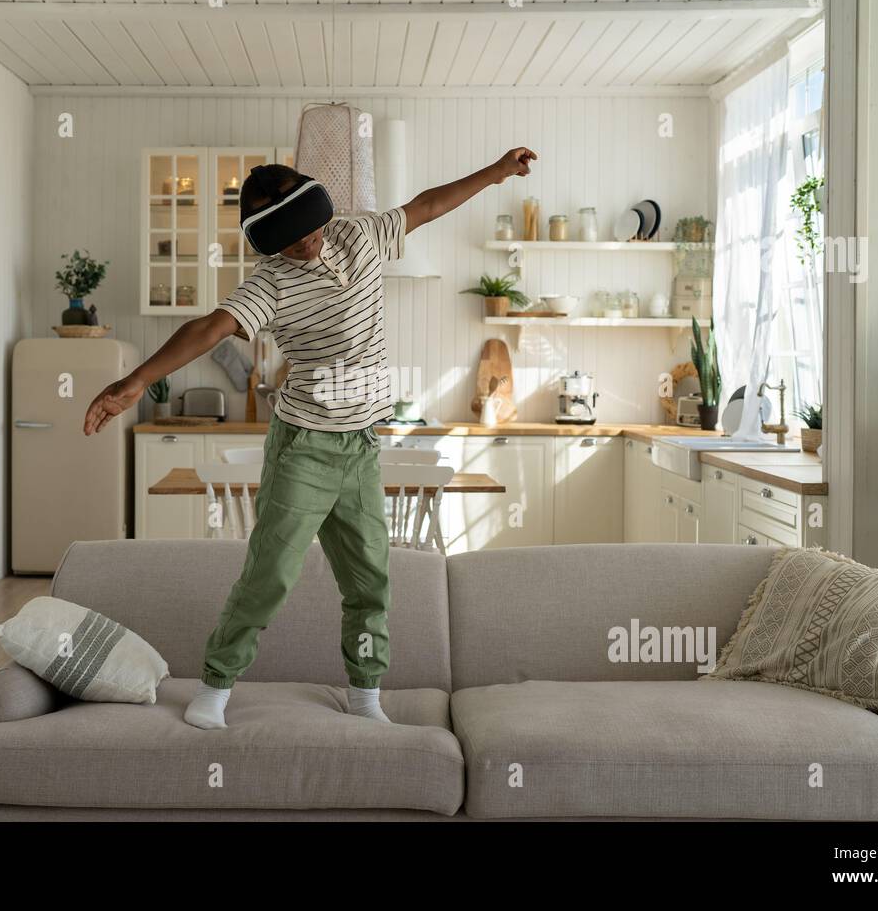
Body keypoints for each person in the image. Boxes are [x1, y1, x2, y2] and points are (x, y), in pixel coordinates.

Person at [83, 146, 537, 728]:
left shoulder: (359, 237)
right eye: (287, 240)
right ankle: (216, 686)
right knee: (270, 575)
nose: (304, 245)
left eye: (307, 231)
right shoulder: (271, 282)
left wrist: (498, 171)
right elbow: (209, 327)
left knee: (372, 581)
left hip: (362, 448)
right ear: (268, 243)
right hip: (305, 447)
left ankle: (367, 695)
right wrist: (136, 379)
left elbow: (427, 206)